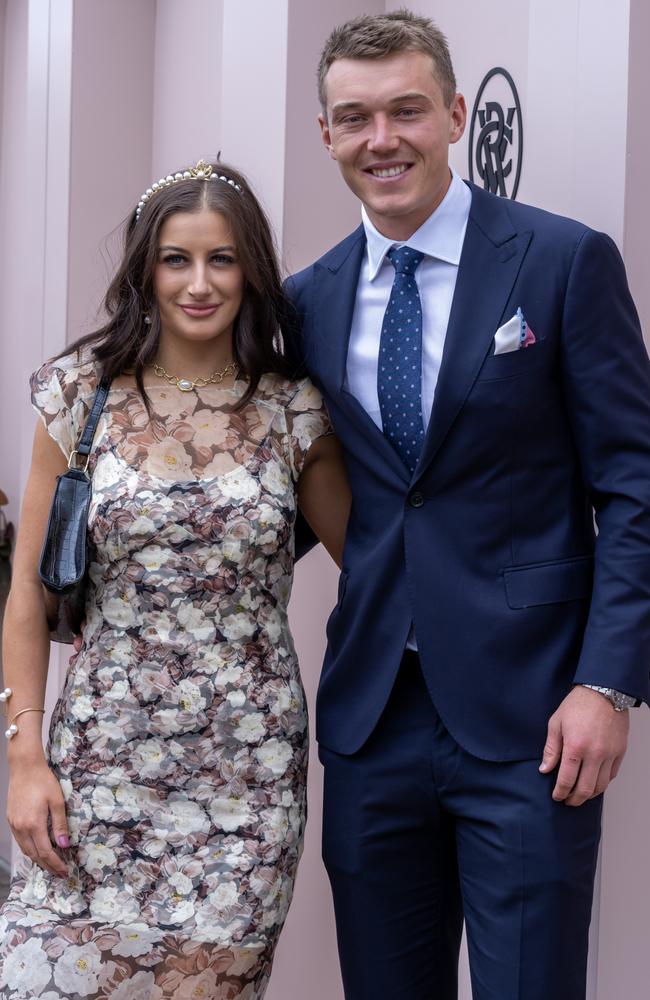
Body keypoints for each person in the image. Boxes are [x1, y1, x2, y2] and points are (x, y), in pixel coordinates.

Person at [285, 10, 650, 999]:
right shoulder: (302, 302)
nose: (381, 139)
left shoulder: (561, 262)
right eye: (354, 118)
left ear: (452, 114)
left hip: (533, 718)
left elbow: (633, 486)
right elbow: (272, 496)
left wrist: (605, 682)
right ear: (325, 135)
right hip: (369, 722)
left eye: (405, 110)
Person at [0, 160, 350, 999]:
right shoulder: (79, 395)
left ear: (252, 269)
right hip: (97, 767)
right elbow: (24, 594)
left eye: (222, 259)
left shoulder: (292, 410)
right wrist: (25, 760)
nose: (199, 283)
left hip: (247, 777)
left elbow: (378, 562)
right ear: (144, 270)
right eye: (176, 259)